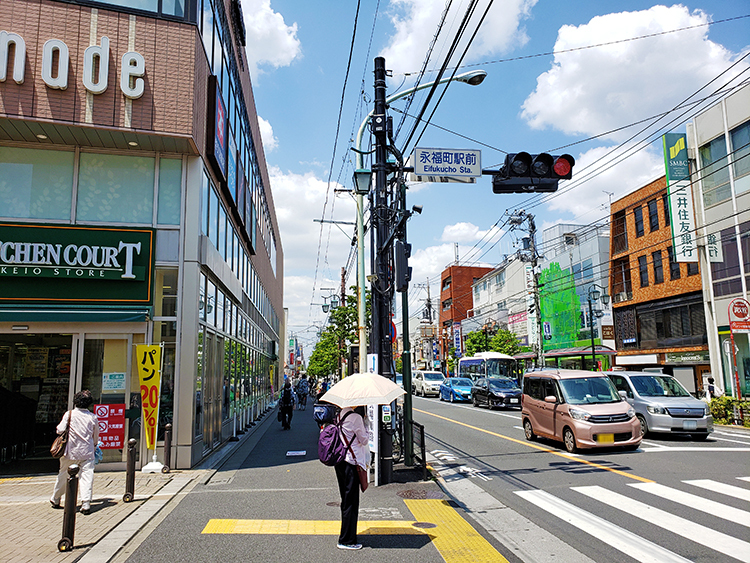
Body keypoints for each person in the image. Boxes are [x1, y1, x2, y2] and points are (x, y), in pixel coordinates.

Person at [50, 390, 99, 515]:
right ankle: (86, 502)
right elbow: (96, 436)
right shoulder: (93, 417)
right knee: (87, 476)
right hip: (87, 452)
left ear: (75, 401)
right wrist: (94, 447)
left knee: (63, 475)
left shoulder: (69, 414)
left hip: (70, 451)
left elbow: (60, 430)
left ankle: (56, 498)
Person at [334, 405, 369, 550]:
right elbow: (364, 440)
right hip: (351, 463)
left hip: (340, 461)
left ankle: (347, 535)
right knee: (351, 502)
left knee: (346, 499)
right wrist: (365, 425)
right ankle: (347, 540)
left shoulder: (339, 416)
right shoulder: (356, 418)